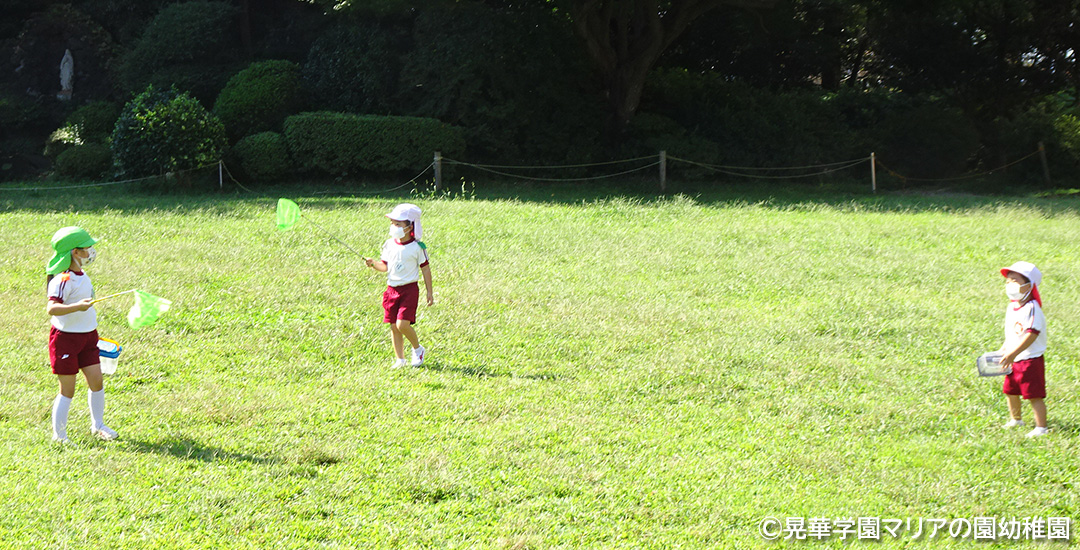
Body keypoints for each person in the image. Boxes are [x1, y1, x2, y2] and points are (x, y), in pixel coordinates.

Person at [45, 226, 118, 443]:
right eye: (87, 248)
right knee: (67, 390)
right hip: (66, 340)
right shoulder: (63, 280)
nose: (91, 251)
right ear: (75, 252)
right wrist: (77, 306)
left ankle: (98, 425)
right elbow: (52, 308)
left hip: (88, 337)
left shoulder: (82, 275)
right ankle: (59, 436)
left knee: (97, 382)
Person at [364, 204, 434, 368]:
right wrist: (373, 264)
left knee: (403, 324)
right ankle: (400, 359)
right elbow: (385, 267)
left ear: (410, 227)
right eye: (392, 223)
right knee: (394, 326)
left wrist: (429, 292)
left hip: (409, 290)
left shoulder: (417, 247)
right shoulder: (389, 244)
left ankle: (418, 349)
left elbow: (425, 269)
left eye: (398, 224)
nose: (394, 227)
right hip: (391, 290)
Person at [997, 261, 1049, 438]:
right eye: (1007, 281)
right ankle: (1016, 419)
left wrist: (1013, 353)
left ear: (1029, 285)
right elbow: (1012, 331)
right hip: (1013, 357)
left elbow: (1032, 334)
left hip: (1029, 358)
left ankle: (1041, 427)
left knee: (1033, 394)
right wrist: (1005, 348)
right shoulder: (1012, 306)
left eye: (1015, 281)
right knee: (1010, 391)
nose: (1010, 285)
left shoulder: (1032, 308)